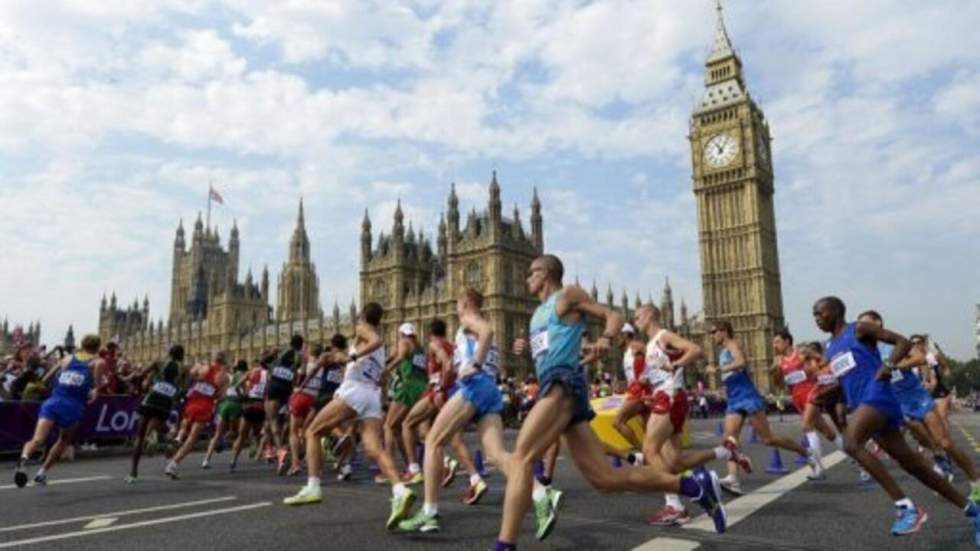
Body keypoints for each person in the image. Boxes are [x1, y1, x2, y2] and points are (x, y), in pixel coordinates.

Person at [492, 255, 725, 551]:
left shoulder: (568, 295)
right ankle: (692, 486)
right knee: (605, 479)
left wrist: (605, 338)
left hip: (563, 385)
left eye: (530, 272)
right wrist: (524, 351)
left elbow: (613, 315)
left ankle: (505, 545)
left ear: (546, 273)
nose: (526, 278)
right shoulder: (538, 313)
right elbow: (549, 354)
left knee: (520, 458)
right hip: (554, 384)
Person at [813, 296, 980, 542]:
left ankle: (906, 507)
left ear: (836, 313)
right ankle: (972, 510)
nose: (817, 319)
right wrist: (825, 395)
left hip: (878, 397)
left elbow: (901, 342)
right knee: (914, 466)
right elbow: (848, 378)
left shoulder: (858, 328)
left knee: (850, 443)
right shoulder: (829, 347)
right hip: (864, 404)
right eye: (814, 315)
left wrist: (889, 364)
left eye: (820, 313)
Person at [399, 287, 539, 535]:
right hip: (490, 389)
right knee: (496, 455)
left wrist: (474, 363)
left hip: (475, 385)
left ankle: (429, 513)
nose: (455, 307)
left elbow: (487, 332)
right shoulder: (478, 325)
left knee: (433, 441)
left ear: (464, 303)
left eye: (457, 302)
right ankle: (541, 492)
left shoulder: (468, 320)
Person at [283, 303, 416, 531]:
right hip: (371, 396)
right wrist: (337, 357)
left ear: (363, 316)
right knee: (374, 448)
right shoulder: (379, 351)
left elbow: (374, 342)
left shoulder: (364, 330)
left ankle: (313, 486)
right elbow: (380, 373)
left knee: (312, 431)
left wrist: (350, 357)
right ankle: (400, 490)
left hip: (354, 392)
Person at [637, 305, 751, 527]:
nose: (635, 320)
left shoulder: (663, 335)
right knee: (675, 460)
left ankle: (675, 506)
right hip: (669, 397)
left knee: (650, 451)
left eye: (637, 316)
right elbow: (662, 371)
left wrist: (675, 364)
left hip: (668, 397)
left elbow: (695, 349)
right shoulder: (651, 344)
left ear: (650, 315)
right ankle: (725, 451)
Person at [859, 315, 980, 499]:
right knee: (915, 431)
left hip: (917, 398)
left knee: (946, 442)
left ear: (878, 325)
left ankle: (975, 478)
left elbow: (920, 357)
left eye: (866, 323)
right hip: (896, 402)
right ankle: (938, 456)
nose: (862, 327)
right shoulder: (863, 352)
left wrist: (895, 365)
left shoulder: (892, 343)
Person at [714, 320, 818, 495]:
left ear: (723, 331)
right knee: (729, 440)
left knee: (768, 439)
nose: (712, 335)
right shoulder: (723, 350)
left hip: (747, 396)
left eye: (714, 331)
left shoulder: (733, 344)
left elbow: (741, 362)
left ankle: (806, 452)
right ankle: (733, 480)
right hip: (734, 398)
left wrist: (721, 368)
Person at [400, 318, 484, 503]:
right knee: (432, 432)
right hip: (452, 391)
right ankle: (472, 477)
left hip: (438, 393)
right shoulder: (451, 345)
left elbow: (446, 364)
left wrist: (439, 389)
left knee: (407, 424)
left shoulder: (434, 345)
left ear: (429, 332)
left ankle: (414, 470)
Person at [14, 335, 106, 487]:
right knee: (63, 440)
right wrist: (93, 392)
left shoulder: (67, 358)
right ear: (97, 347)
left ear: (82, 345)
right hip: (73, 406)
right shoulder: (98, 362)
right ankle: (41, 473)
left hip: (53, 402)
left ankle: (24, 458)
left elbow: (45, 379)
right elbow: (96, 388)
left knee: (37, 439)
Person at [770, 329, 843, 479]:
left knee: (806, 426)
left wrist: (815, 370)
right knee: (828, 434)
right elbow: (779, 385)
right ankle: (857, 455)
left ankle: (818, 468)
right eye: (773, 343)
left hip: (813, 392)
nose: (774, 345)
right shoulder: (779, 361)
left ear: (787, 341)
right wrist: (776, 371)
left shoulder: (801, 352)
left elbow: (823, 360)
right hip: (798, 398)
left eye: (777, 342)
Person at [164, 351, 230, 479]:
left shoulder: (202, 366)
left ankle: (178, 438)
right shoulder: (224, 376)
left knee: (185, 423)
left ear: (213, 358)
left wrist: (195, 383)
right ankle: (173, 465)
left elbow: (190, 376)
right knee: (192, 439)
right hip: (205, 404)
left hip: (193, 399)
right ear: (224, 362)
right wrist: (213, 393)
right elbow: (222, 396)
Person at [126, 346, 184, 483]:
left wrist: (133, 385)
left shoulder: (158, 363)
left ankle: (133, 473)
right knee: (157, 428)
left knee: (139, 437)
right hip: (165, 403)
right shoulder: (184, 369)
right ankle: (162, 440)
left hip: (151, 399)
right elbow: (183, 390)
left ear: (169, 353)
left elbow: (139, 375)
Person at [382, 323, 430, 483]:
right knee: (403, 428)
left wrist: (386, 370)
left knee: (388, 426)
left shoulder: (404, 342)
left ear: (401, 334)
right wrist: (386, 361)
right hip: (422, 388)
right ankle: (412, 466)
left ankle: (388, 470)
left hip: (409, 386)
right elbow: (397, 355)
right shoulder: (420, 348)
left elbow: (401, 355)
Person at [285, 345, 331, 476]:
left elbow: (296, 381)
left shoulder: (305, 366)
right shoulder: (324, 368)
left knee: (293, 431)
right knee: (312, 433)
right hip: (315, 400)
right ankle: (317, 466)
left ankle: (295, 464)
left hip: (302, 397)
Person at [266, 335, 305, 475]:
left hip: (275, 386)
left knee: (273, 421)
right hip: (288, 388)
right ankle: (295, 448)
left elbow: (265, 363)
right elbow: (301, 373)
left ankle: (280, 451)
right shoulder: (300, 357)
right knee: (291, 421)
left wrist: (272, 353)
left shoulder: (282, 352)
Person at [203, 359, 248, 469]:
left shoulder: (230, 376)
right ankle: (233, 461)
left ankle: (206, 460)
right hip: (236, 404)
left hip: (225, 404)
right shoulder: (245, 377)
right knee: (239, 434)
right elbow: (245, 392)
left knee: (217, 434)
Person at [230, 357, 271, 472]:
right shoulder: (269, 374)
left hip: (249, 404)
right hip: (261, 406)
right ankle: (264, 453)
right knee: (260, 433)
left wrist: (243, 396)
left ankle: (233, 460)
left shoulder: (251, 372)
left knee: (241, 436)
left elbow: (237, 385)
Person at [612, 324, 647, 454]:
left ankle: (643, 452)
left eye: (618, 336)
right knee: (647, 428)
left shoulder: (635, 347)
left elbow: (650, 358)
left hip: (640, 390)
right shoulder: (626, 352)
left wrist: (645, 379)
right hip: (636, 389)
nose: (615, 339)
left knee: (618, 422)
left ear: (626, 335)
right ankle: (653, 456)